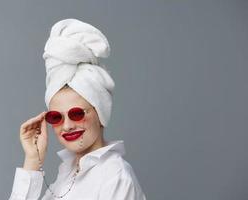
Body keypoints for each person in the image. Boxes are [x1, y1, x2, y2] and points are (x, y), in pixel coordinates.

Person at [9, 18, 147, 200]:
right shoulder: (68, 172)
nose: (67, 126)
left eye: (76, 114)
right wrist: (33, 160)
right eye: (56, 117)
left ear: (100, 112)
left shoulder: (115, 178)